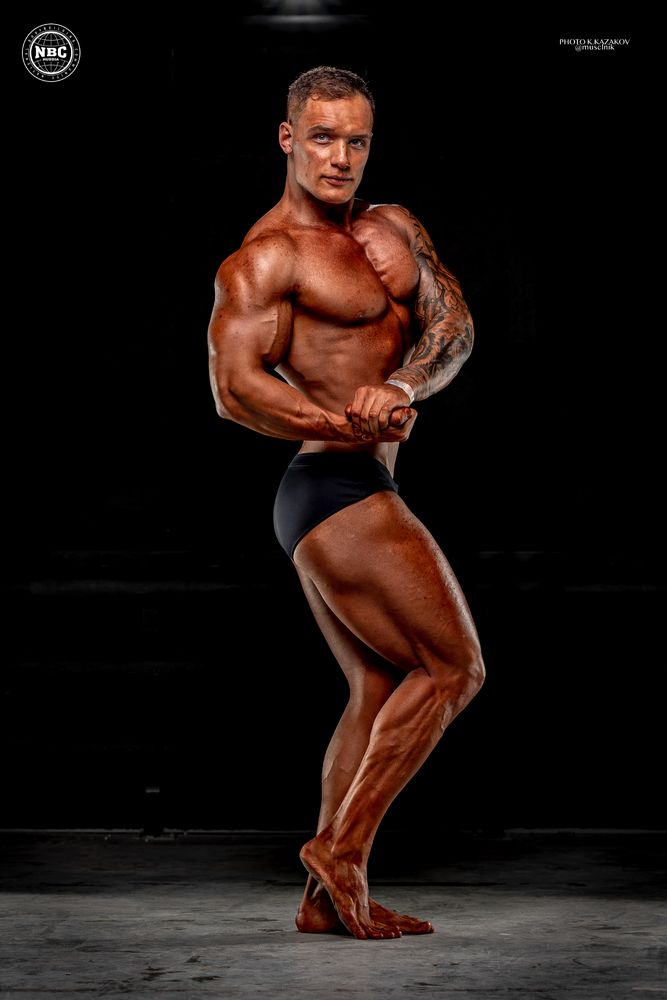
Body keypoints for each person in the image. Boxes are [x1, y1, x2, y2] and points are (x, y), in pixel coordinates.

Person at [207, 65, 485, 940]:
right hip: (330, 483)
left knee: (375, 686)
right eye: (322, 138)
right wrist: (339, 419)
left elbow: (453, 327)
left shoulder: (391, 225)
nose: (339, 157)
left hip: (361, 482)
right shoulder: (267, 257)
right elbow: (233, 388)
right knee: (454, 669)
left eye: (355, 141)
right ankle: (341, 851)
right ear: (287, 138)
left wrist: (400, 384)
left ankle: (322, 904)